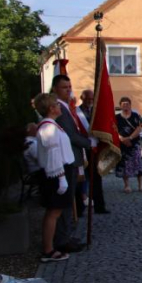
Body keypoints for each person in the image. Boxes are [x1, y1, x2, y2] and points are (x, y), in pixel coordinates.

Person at [33, 93, 76, 262]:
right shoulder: (48, 128)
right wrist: (61, 177)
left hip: (59, 171)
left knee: (55, 212)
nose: (60, 107)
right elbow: (54, 155)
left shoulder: (52, 125)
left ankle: (49, 247)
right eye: (57, 105)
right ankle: (48, 250)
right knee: (53, 212)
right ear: (51, 108)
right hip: (56, 173)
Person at [50, 75, 89, 254]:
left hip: (72, 158)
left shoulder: (67, 107)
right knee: (66, 202)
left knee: (70, 199)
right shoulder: (59, 110)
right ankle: (62, 239)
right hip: (67, 160)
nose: (68, 90)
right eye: (64, 87)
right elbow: (70, 136)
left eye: (70, 86)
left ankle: (67, 235)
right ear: (55, 89)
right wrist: (90, 143)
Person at [115, 97, 142, 193]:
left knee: (138, 163)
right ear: (120, 106)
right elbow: (114, 130)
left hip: (134, 142)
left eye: (127, 104)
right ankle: (127, 185)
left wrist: (130, 138)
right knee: (124, 163)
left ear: (130, 105)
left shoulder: (135, 115)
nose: (125, 106)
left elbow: (138, 128)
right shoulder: (117, 117)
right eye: (123, 104)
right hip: (122, 143)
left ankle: (140, 185)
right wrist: (121, 138)